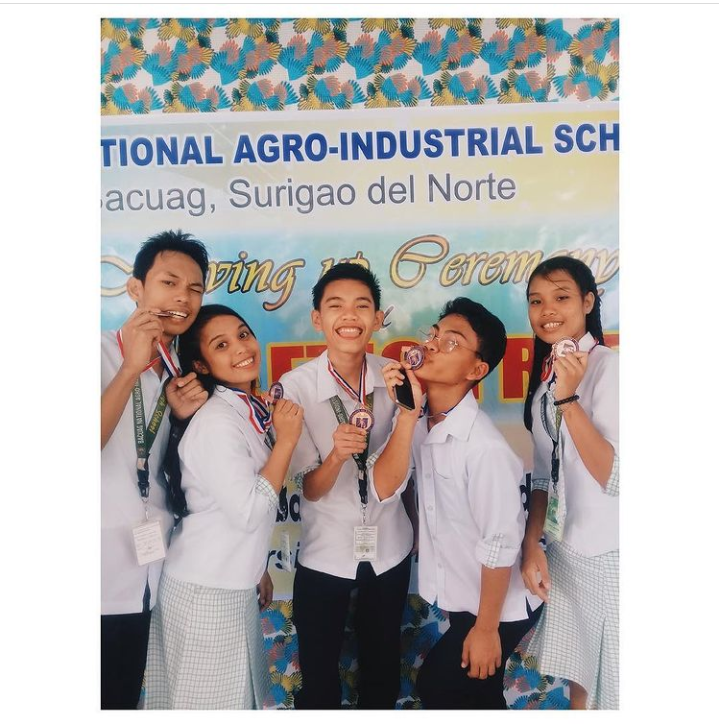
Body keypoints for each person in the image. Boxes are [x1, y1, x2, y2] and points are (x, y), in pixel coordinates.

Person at [370, 297, 543, 709]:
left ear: (476, 370)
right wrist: (406, 410)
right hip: (467, 595)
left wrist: (486, 630)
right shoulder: (419, 420)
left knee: (439, 686)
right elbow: (385, 487)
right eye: (433, 334)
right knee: (476, 695)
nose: (431, 344)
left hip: (499, 606)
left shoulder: (484, 448)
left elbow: (500, 542)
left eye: (451, 341)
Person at [144, 304, 303, 709]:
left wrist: (257, 567)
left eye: (243, 334)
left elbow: (230, 501)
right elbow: (248, 512)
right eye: (221, 345)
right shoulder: (217, 421)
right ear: (201, 363)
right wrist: (286, 441)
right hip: (206, 591)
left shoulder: (243, 408)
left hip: (230, 581)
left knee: (235, 701)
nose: (241, 348)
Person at [279, 263, 413, 709]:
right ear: (317, 319)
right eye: (336, 306)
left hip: (389, 545)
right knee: (318, 678)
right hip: (326, 550)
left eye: (362, 305)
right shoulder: (295, 387)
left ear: (377, 318)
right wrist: (336, 455)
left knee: (382, 669)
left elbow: (407, 462)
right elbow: (310, 490)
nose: (350, 316)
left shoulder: (395, 377)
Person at [101, 230, 210, 709]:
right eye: (169, 283)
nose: (183, 298)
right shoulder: (96, 352)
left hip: (155, 568)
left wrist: (182, 420)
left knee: (125, 696)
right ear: (135, 289)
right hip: (98, 567)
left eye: (195, 288)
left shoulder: (179, 371)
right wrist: (129, 369)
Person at [519, 256, 619, 710]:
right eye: (536, 301)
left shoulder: (611, 370)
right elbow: (543, 475)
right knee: (582, 686)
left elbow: (615, 477)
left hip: (613, 553)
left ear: (588, 302)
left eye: (561, 297)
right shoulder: (545, 383)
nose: (547, 311)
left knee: (618, 690)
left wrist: (569, 400)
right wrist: (532, 544)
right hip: (565, 550)